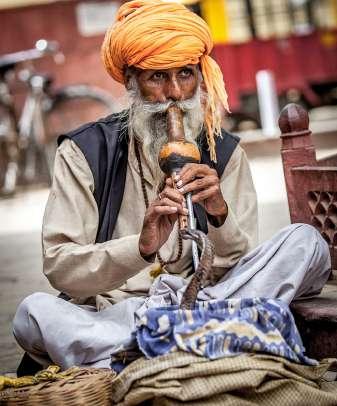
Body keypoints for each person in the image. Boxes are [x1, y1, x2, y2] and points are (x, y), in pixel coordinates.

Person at [13, 0, 330, 371]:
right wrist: (141, 248)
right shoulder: (83, 152)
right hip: (119, 313)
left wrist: (219, 214)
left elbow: (239, 265)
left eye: (185, 73)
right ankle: (209, 341)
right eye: (157, 77)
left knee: (305, 243)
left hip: (209, 301)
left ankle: (151, 351)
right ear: (131, 80)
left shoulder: (224, 152)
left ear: (200, 75)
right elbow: (61, 267)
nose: (176, 93)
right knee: (33, 313)